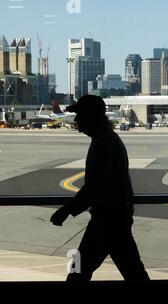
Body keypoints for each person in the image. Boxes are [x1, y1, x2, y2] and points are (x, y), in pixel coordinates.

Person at [50, 95, 150, 283]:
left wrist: (66, 210)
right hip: (113, 219)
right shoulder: (106, 139)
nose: (77, 120)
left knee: (79, 273)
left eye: (80, 114)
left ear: (92, 116)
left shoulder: (104, 143)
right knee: (133, 273)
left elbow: (95, 186)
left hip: (107, 221)